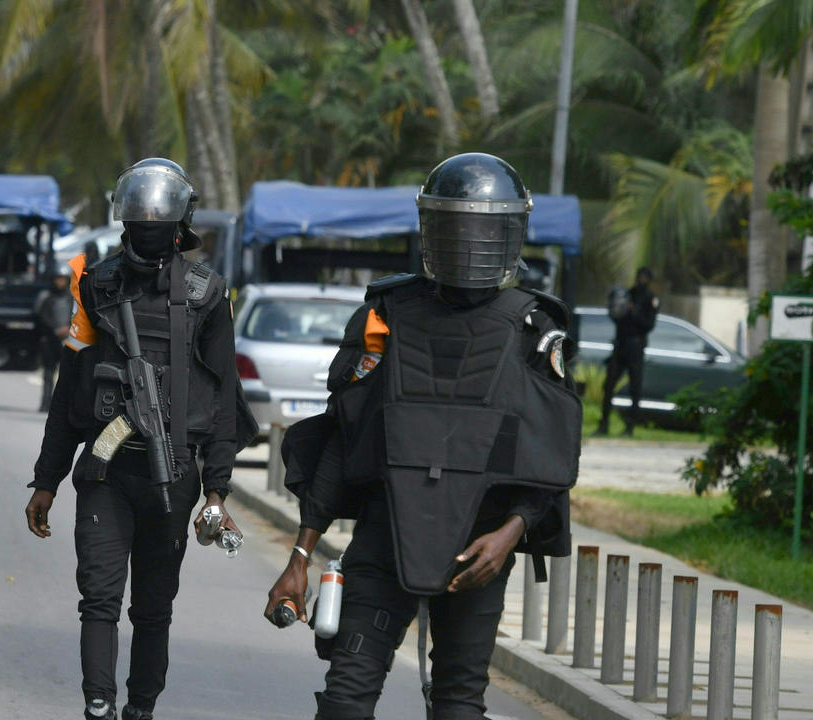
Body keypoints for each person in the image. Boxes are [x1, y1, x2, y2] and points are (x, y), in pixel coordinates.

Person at [266, 153, 581, 720]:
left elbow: (553, 459)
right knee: (344, 701)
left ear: (512, 231)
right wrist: (300, 554)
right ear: (431, 227)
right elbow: (344, 440)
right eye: (457, 226)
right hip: (386, 536)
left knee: (459, 704)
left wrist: (509, 535)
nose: (470, 242)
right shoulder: (382, 316)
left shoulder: (537, 329)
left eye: (485, 227)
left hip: (482, 546)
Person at [26, 158, 254, 720]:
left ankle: (141, 708)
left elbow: (224, 401)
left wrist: (217, 491)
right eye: (137, 223)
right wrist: (46, 480)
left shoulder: (207, 294)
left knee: (153, 609)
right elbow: (69, 391)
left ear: (179, 225)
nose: (145, 234)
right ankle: (99, 704)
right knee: (99, 599)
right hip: (105, 472)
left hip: (174, 473)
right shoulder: (96, 283)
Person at [595, 267, 658, 436]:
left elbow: (649, 324)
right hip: (620, 344)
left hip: (636, 347)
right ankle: (603, 424)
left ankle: (630, 427)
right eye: (640, 276)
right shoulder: (628, 293)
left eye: (645, 277)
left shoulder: (650, 298)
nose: (641, 280)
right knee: (609, 385)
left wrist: (633, 311)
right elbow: (616, 315)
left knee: (634, 388)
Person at [35, 268, 74, 412]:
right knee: (48, 374)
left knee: (67, 375)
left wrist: (68, 329)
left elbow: (78, 317)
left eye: (62, 279)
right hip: (49, 340)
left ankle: (61, 406)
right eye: (58, 279)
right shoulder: (46, 297)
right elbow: (40, 317)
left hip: (67, 340)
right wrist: (54, 331)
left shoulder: (72, 298)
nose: (60, 282)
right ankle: (45, 402)